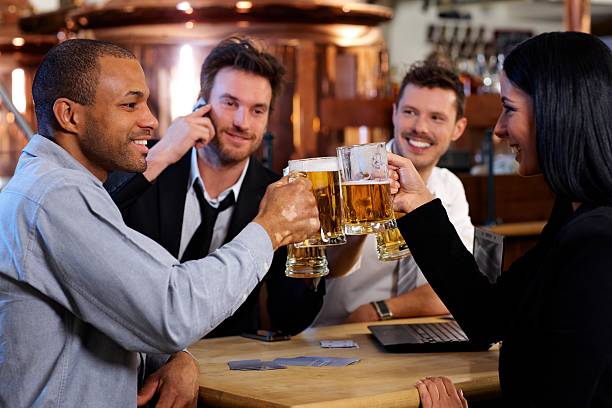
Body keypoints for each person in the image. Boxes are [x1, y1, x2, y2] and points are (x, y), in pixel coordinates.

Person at [0, 39, 320, 407]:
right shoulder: (56, 196)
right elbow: (172, 309)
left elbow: (121, 311)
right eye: (130, 104)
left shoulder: (62, 189)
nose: (151, 120)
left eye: (146, 103)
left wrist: (177, 357)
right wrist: (270, 228)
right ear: (70, 116)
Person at [391, 32, 612, 406]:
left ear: (555, 110)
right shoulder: (572, 215)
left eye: (509, 108)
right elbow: (488, 316)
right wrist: (420, 205)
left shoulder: (598, 240)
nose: (498, 129)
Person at [107, 36, 325, 338]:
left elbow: (288, 318)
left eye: (257, 110)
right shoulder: (149, 163)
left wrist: (314, 263)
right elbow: (92, 220)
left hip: (228, 367)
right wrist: (162, 155)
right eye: (230, 103)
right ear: (201, 103)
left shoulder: (274, 193)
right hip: (139, 353)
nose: (242, 122)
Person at [314, 62, 473, 326]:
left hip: (413, 327)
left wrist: (379, 310)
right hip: (338, 334)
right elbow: (326, 269)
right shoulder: (351, 174)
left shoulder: (449, 187)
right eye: (410, 112)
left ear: (458, 128)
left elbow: (463, 283)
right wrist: (363, 216)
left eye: (436, 117)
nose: (420, 127)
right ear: (395, 114)